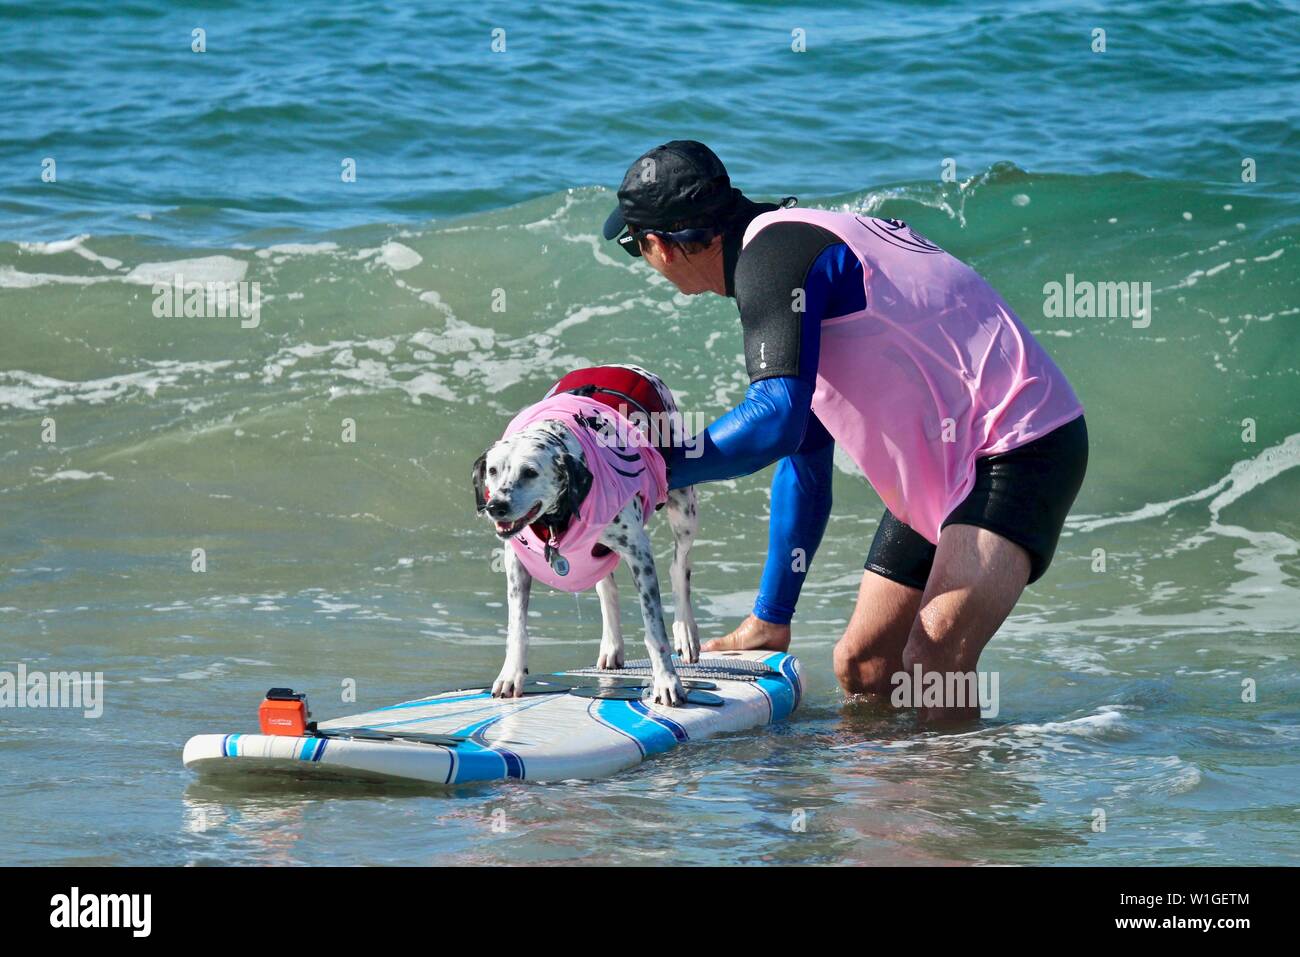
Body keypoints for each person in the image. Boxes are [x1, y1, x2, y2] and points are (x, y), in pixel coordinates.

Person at [601, 140, 1088, 721]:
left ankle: (962, 809)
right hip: (947, 461)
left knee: (935, 664)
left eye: (635, 247)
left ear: (659, 244)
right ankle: (894, 799)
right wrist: (770, 619)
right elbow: (803, 449)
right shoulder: (788, 246)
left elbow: (774, 420)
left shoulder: (774, 259)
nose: (645, 260)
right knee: (865, 666)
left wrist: (643, 468)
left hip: (1020, 444)